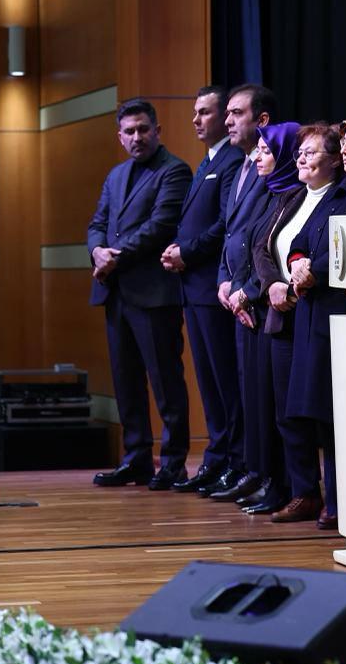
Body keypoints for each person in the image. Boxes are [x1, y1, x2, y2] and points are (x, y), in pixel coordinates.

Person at [88, 99, 192, 490]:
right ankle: (136, 459)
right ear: (119, 136)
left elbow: (160, 225)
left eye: (143, 129)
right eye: (129, 131)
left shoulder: (175, 170)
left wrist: (114, 257)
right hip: (116, 292)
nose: (137, 137)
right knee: (126, 382)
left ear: (157, 131)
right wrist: (97, 251)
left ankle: (174, 463)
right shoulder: (115, 175)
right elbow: (97, 223)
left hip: (154, 293)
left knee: (165, 382)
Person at [158, 86, 246, 494]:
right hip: (192, 288)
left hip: (213, 286)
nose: (196, 119)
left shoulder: (232, 160)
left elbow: (225, 223)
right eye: (195, 112)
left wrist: (186, 252)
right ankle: (216, 457)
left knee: (225, 382)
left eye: (205, 112)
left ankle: (234, 460)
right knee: (208, 384)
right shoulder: (208, 160)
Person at [207, 84, 286, 501]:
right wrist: (224, 279)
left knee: (265, 397)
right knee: (246, 392)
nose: (228, 121)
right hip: (237, 294)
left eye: (236, 113)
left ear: (263, 120)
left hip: (256, 298)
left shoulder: (276, 165)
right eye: (228, 113)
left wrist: (245, 289)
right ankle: (254, 471)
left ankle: (271, 476)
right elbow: (231, 233)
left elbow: (264, 238)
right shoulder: (241, 165)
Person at [223, 121, 303, 514]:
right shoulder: (273, 195)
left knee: (278, 407)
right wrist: (238, 289)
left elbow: (276, 255)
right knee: (258, 402)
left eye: (267, 151)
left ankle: (285, 485)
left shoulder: (296, 196)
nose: (258, 157)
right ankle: (267, 478)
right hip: (254, 306)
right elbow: (252, 247)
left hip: (275, 309)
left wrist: (250, 291)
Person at [278, 124, 346, 530]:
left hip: (334, 311)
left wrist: (313, 270)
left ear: (336, 160)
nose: (302, 159)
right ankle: (327, 499)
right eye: (300, 153)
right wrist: (297, 263)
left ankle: (340, 503)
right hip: (312, 312)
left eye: (312, 152)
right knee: (316, 414)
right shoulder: (321, 201)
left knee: (334, 414)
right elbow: (300, 241)